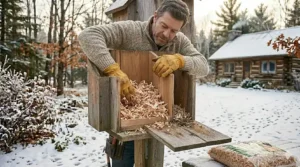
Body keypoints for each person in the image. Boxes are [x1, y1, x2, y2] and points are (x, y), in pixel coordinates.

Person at [78, 0, 209, 166]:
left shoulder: (179, 41)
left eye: (174, 30)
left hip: (158, 122)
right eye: (163, 26)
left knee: (152, 161)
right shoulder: (131, 30)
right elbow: (87, 36)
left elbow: (204, 67)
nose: (167, 34)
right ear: (155, 17)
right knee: (122, 162)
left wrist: (181, 60)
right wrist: (113, 70)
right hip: (124, 116)